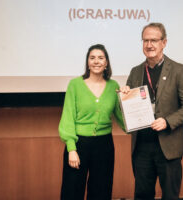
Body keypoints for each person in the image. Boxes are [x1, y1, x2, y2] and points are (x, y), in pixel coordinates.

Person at [120, 23, 183, 200]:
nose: (149, 45)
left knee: (170, 195)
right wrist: (124, 98)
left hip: (168, 146)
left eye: (154, 40)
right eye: (145, 40)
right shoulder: (136, 71)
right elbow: (128, 109)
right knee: (142, 195)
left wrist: (167, 121)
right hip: (142, 147)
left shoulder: (179, 70)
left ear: (164, 42)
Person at [59, 44, 124, 200]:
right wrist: (71, 149)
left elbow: (122, 119)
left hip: (104, 146)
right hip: (79, 145)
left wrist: (127, 99)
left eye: (101, 58)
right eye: (92, 58)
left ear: (106, 63)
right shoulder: (75, 85)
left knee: (101, 191)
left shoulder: (114, 86)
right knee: (72, 191)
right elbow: (68, 117)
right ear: (87, 62)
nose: (96, 61)